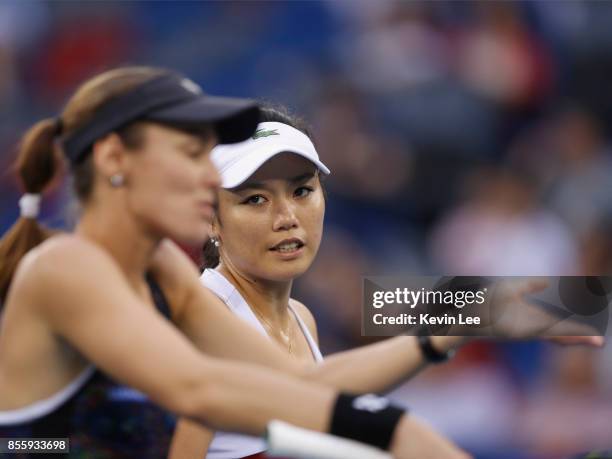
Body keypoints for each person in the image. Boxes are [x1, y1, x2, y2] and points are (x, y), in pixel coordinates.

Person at [0, 66, 473, 459]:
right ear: (115, 159)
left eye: (303, 190)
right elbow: (201, 391)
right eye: (190, 154)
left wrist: (490, 308)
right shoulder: (65, 268)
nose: (208, 179)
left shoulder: (164, 267)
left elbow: (303, 385)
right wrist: (390, 430)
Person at [168, 106, 606, 459]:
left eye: (302, 191)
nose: (287, 218)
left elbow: (311, 396)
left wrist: (554, 306)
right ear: (212, 219)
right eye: (255, 199)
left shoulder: (299, 316)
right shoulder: (203, 318)